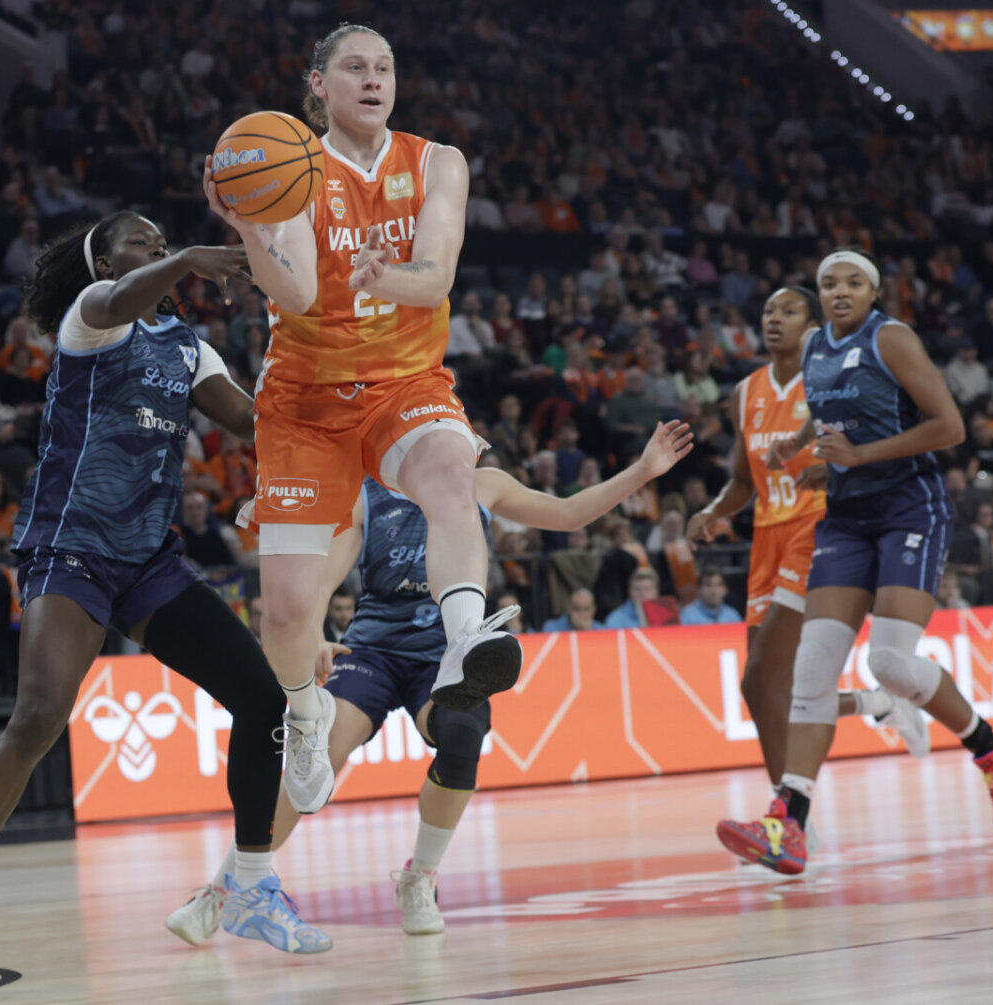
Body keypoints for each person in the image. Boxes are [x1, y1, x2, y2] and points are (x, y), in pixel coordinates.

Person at [0, 210, 330, 962]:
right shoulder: (89, 320)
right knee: (40, 714)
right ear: (104, 262)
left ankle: (253, 889)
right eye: (144, 243)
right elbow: (120, 300)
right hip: (70, 549)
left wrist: (299, 351)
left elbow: (250, 423)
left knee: (262, 698)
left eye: (164, 242)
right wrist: (191, 257)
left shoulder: (187, 348)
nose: (160, 250)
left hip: (149, 561)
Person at [166, 419, 693, 943]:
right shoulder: (367, 495)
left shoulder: (484, 484)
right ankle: (222, 891)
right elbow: (326, 577)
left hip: (445, 654)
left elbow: (569, 513)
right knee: (318, 757)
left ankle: (420, 879)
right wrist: (318, 635)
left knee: (462, 736)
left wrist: (643, 471)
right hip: (372, 649)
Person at [205, 24, 524, 817]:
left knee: (453, 471)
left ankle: (463, 642)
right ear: (319, 85)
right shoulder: (295, 167)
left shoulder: (437, 160)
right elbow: (302, 295)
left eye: (385, 66)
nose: (374, 79)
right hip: (306, 401)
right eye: (355, 68)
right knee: (284, 613)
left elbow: (439, 274)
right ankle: (305, 713)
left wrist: (394, 272)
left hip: (402, 382)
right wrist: (248, 225)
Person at [717, 249, 993, 876]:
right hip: (847, 517)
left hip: (911, 507)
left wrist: (859, 455)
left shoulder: (893, 339)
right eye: (829, 283)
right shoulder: (815, 349)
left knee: (887, 660)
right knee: (813, 666)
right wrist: (795, 447)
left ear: (874, 291)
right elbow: (822, 411)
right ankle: (789, 825)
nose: (840, 291)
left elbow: (951, 427)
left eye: (853, 282)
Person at [688, 286, 927, 787]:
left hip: (821, 531)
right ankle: (877, 703)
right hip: (767, 537)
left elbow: (877, 451)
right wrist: (712, 511)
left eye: (789, 311)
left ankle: (788, 812)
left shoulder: (837, 381)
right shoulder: (744, 392)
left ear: (814, 327)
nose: (774, 319)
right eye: (768, 310)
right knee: (769, 690)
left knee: (762, 678)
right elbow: (741, 480)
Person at [540, 587, 604, 632]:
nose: (582, 614)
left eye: (586, 609)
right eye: (577, 609)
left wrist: (588, 633)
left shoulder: (602, 631)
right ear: (568, 608)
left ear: (594, 610)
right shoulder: (551, 628)